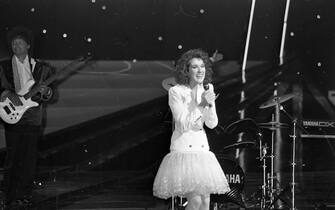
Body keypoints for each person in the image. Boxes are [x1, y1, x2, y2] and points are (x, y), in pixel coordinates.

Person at [153, 49, 230, 210]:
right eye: (194, 67)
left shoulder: (208, 89)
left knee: (205, 202)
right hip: (184, 150)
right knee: (194, 201)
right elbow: (182, 124)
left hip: (202, 150)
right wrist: (201, 104)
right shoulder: (177, 92)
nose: (200, 70)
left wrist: (209, 103)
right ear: (186, 71)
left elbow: (212, 123)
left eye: (202, 66)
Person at [0, 26, 54, 207]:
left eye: (20, 43)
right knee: (12, 158)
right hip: (13, 117)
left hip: (33, 118)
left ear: (28, 46)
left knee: (29, 160)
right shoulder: (3, 66)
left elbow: (48, 96)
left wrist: (46, 92)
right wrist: (7, 93)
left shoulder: (42, 68)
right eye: (13, 44)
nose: (16, 46)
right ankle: (9, 196)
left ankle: (24, 195)